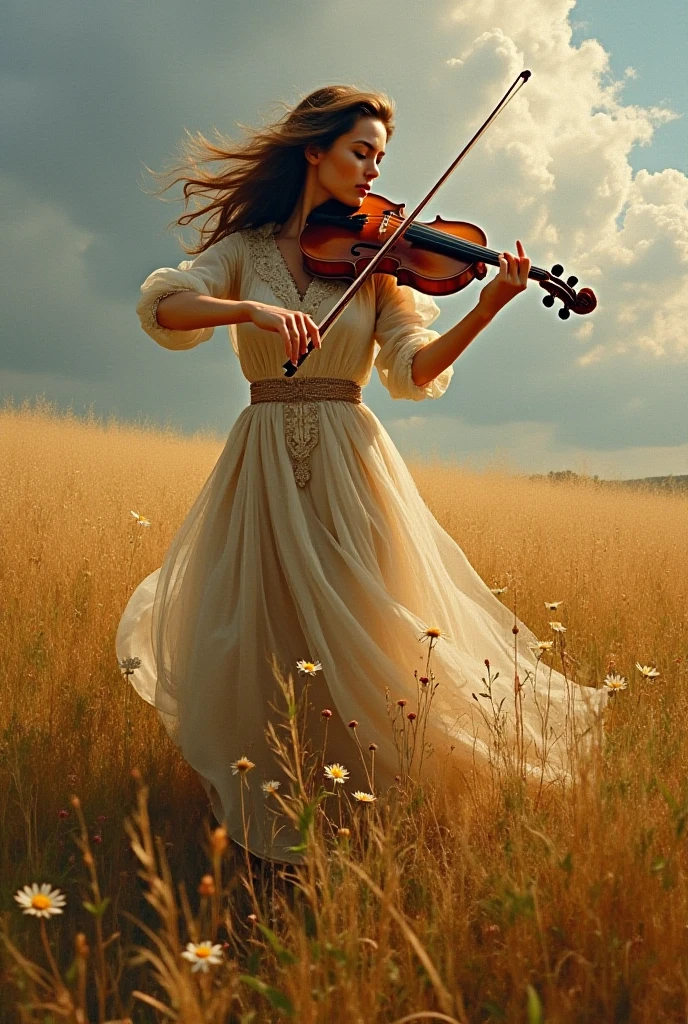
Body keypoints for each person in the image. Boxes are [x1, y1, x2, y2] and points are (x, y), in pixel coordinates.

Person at [116, 85, 605, 864]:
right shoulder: (242, 251)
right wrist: (251, 313)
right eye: (360, 151)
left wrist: (491, 306)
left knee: (366, 626)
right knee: (265, 627)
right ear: (316, 151)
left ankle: (371, 810)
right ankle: (276, 794)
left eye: (380, 155)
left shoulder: (382, 267)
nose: (375, 170)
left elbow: (413, 369)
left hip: (351, 455)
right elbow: (168, 308)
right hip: (264, 450)